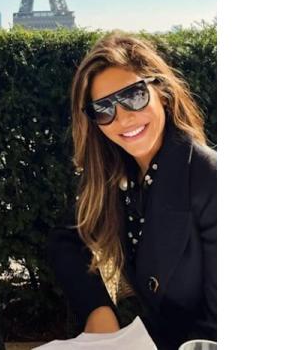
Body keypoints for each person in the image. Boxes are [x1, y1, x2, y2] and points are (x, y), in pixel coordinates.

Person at [47, 32, 216, 350]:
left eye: (134, 96)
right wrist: (99, 311)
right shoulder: (117, 173)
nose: (123, 117)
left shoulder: (210, 179)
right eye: (104, 109)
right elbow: (66, 237)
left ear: (162, 92)